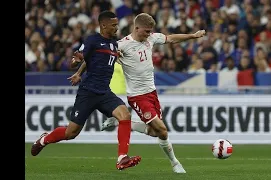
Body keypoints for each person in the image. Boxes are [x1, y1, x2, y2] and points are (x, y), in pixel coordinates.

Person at [69, 13, 206, 173]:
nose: (149, 35)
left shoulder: (151, 39)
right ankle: (175, 163)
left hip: (152, 93)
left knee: (155, 132)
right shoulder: (122, 45)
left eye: (150, 32)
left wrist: (193, 36)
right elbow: (93, 56)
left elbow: (171, 38)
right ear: (137, 28)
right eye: (146, 31)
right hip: (137, 96)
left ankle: (116, 122)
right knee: (162, 130)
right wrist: (79, 73)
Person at [30, 11, 141, 171]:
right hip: (88, 92)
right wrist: (76, 66)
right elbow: (80, 58)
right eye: (114, 25)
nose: (117, 28)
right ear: (103, 25)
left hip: (104, 92)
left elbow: (93, 59)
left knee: (125, 116)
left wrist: (115, 55)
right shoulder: (92, 40)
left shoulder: (113, 44)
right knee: (71, 133)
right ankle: (44, 139)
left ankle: (122, 158)